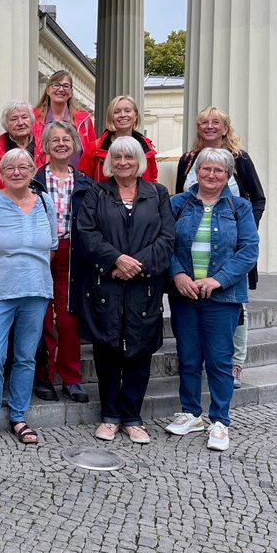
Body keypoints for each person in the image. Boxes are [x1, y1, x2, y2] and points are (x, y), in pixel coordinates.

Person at [72, 136, 174, 444]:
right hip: (108, 284)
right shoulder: (96, 193)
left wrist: (136, 264)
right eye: (117, 158)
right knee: (108, 352)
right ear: (109, 162)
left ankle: (133, 417)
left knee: (139, 353)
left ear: (139, 161)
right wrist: (116, 259)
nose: (123, 162)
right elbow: (86, 233)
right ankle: (110, 416)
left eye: (129, 157)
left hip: (144, 286)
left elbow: (167, 238)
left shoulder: (157, 194)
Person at [165, 148, 259, 452]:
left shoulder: (240, 208)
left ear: (228, 176)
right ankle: (191, 412)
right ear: (196, 172)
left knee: (220, 359)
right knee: (189, 356)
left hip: (223, 296)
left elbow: (249, 250)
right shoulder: (177, 204)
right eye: (206, 169)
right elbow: (163, 244)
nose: (211, 175)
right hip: (185, 293)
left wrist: (218, 280)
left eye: (219, 171)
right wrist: (178, 275)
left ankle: (220, 420)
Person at [175, 106, 265, 388]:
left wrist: (242, 229)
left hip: (230, 243)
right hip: (195, 240)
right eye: (204, 122)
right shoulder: (189, 159)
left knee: (235, 308)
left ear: (226, 127)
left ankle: (235, 364)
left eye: (216, 122)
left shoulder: (239, 158)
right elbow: (182, 196)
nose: (210, 126)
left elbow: (258, 198)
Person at [0, 149, 57, 449]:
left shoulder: (46, 203)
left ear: (34, 170)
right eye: (10, 167)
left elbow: (52, 246)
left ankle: (19, 416)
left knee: (25, 356)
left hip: (36, 291)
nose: (17, 172)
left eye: (24, 166)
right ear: (1, 172)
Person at [32, 121, 93, 404]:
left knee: (69, 319)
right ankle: (44, 377)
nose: (60, 144)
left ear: (74, 145)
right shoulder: (34, 181)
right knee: (42, 318)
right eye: (54, 139)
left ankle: (72, 378)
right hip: (40, 253)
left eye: (66, 139)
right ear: (45, 146)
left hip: (72, 253)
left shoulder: (84, 182)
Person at [79, 96, 158, 182]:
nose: (123, 115)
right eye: (117, 112)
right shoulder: (94, 148)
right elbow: (84, 181)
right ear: (111, 117)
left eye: (127, 111)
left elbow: (152, 180)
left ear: (135, 116)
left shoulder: (147, 148)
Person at [31, 70, 96, 169]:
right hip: (42, 177)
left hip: (78, 179)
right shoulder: (34, 117)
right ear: (48, 90)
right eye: (56, 85)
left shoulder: (84, 119)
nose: (61, 89)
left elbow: (93, 152)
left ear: (70, 93)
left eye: (66, 86)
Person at [0, 100, 36, 195]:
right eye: (14, 119)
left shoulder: (46, 149)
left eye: (24, 117)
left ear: (31, 121)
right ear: (6, 125)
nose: (20, 123)